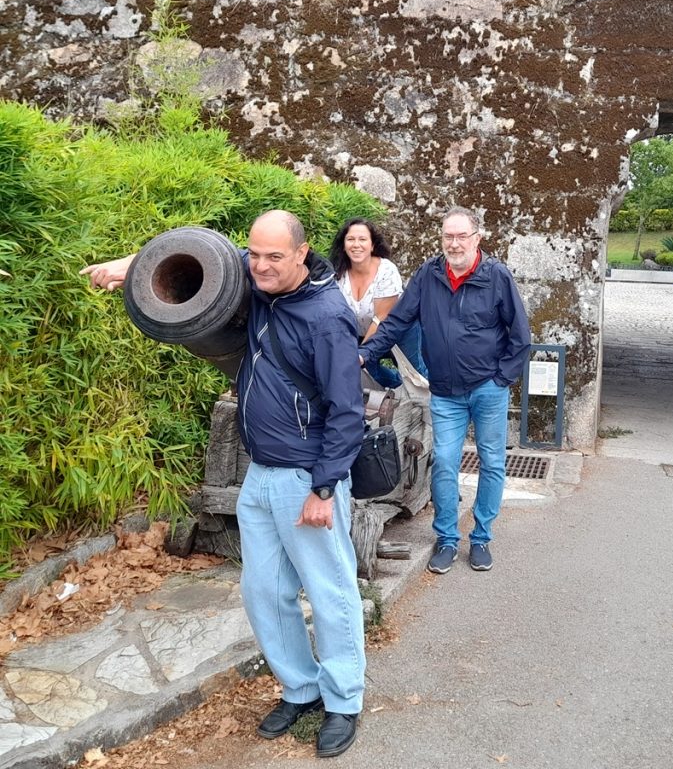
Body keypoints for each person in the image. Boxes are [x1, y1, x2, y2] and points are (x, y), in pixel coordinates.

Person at [81, 211, 366, 758]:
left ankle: (343, 700)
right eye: (254, 254)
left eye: (273, 257)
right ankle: (300, 688)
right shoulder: (259, 279)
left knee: (330, 593)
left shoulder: (328, 316)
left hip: (307, 477)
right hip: (260, 472)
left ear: (302, 255)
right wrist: (129, 267)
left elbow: (347, 412)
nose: (259, 265)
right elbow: (209, 260)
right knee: (264, 592)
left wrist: (324, 489)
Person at [358, 206, 530, 575]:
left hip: (487, 388)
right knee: (447, 463)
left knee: (492, 462)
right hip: (446, 393)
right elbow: (397, 322)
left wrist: (502, 378)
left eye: (461, 236)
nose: (454, 244)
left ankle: (481, 536)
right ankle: (447, 539)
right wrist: (364, 354)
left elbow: (520, 337)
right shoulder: (428, 275)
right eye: (447, 236)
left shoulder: (496, 277)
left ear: (477, 238)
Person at [328, 218, 427, 389]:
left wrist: (360, 354)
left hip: (399, 330)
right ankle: (401, 392)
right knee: (374, 374)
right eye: (351, 239)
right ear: (343, 245)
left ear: (372, 245)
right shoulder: (337, 274)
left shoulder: (386, 270)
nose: (356, 244)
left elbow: (381, 317)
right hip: (362, 334)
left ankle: (435, 405)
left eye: (362, 239)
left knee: (417, 374)